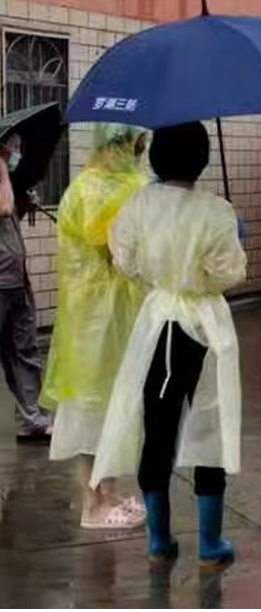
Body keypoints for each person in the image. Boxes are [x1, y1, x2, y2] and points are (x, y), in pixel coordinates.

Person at [89, 122, 247, 565]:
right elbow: (229, 274)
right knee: (211, 423)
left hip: (158, 322)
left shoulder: (139, 204)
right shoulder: (217, 210)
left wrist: (161, 276)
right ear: (202, 158)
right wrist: (236, 241)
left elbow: (125, 259)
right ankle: (211, 542)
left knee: (157, 425)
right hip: (205, 327)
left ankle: (159, 538)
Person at [41, 124, 149, 530]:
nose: (140, 156)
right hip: (96, 318)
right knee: (91, 410)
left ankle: (108, 493)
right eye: (137, 147)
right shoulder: (95, 191)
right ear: (119, 146)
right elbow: (114, 248)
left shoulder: (100, 186)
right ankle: (92, 503)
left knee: (111, 407)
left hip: (108, 314)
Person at [0, 131, 51, 441]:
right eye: (12, 145)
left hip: (16, 278)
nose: (16, 150)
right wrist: (2, 170)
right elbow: (3, 207)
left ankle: (33, 419)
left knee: (24, 348)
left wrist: (24, 201)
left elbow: (10, 213)